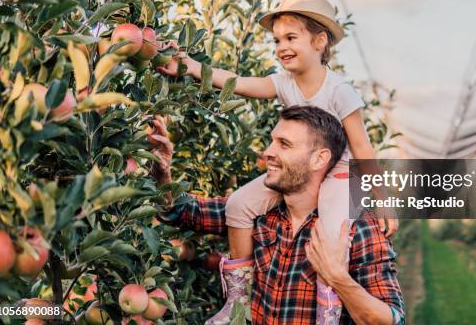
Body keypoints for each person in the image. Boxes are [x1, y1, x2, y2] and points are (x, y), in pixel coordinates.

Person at [157, 0, 398, 324]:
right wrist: (191, 67)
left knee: (332, 237)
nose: (282, 47)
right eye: (276, 41)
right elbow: (237, 83)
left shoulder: (340, 91)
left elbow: (362, 148)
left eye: (291, 38)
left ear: (319, 41)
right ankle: (238, 302)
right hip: (303, 174)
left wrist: (382, 199)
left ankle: (328, 314)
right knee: (239, 205)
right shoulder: (283, 83)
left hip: (339, 175)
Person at [149, 106, 405, 325]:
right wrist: (162, 175)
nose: (268, 152)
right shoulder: (258, 213)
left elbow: (391, 318)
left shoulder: (357, 228)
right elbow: (181, 212)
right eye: (273, 141)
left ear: (319, 159)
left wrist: (338, 277)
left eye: (284, 144)